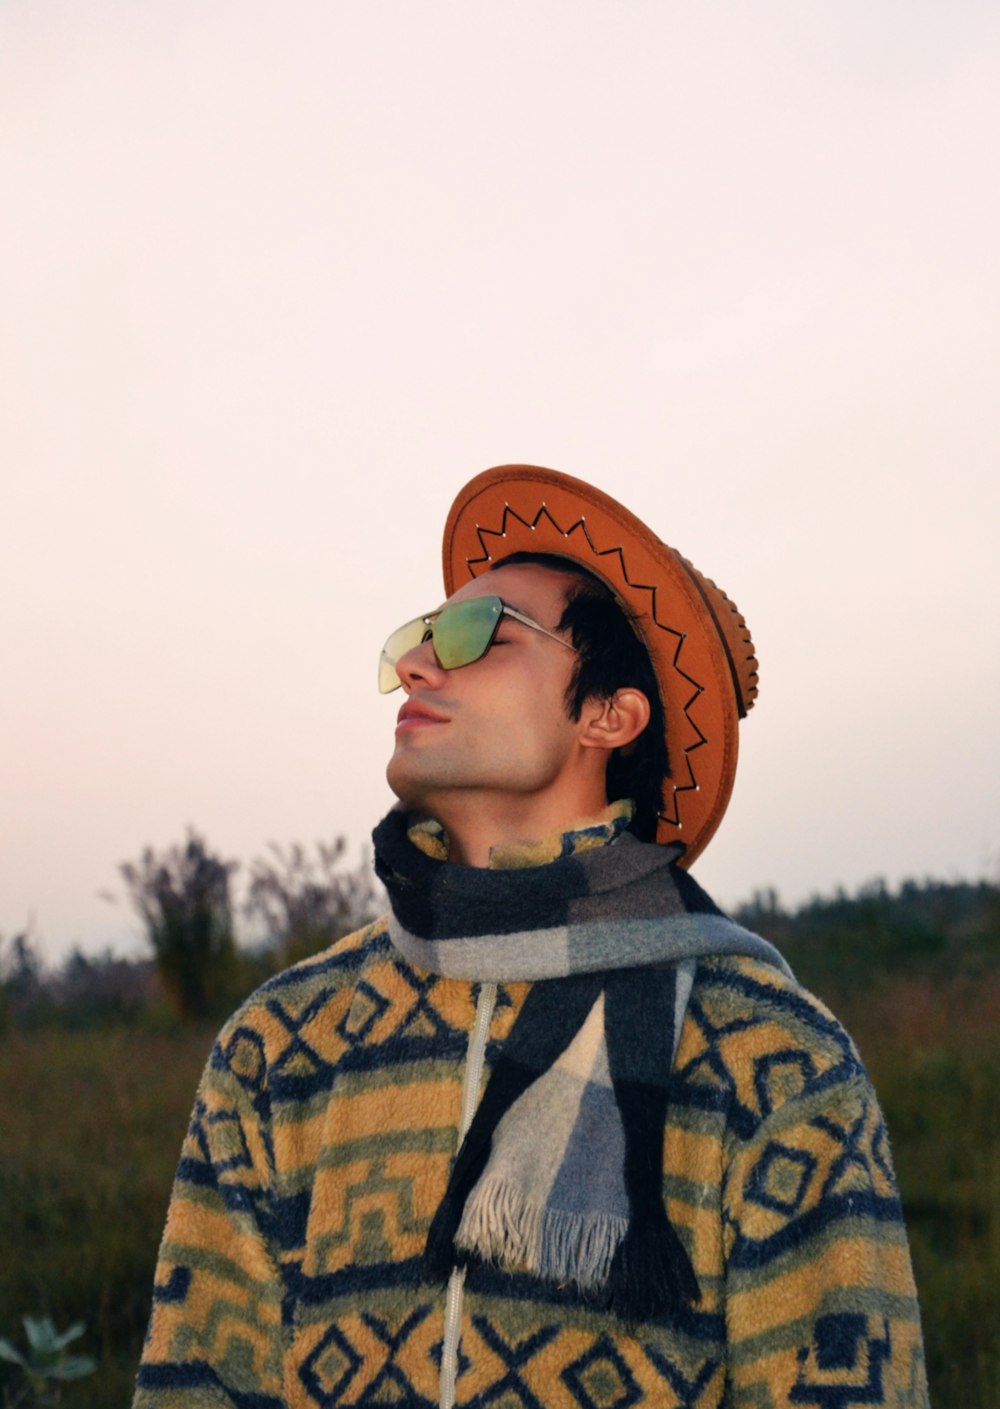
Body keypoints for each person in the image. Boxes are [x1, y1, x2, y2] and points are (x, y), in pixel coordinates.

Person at [134, 465, 929, 1408]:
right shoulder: (282, 1043)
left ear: (607, 714)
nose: (420, 665)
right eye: (419, 639)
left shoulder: (778, 1061)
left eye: (478, 634)